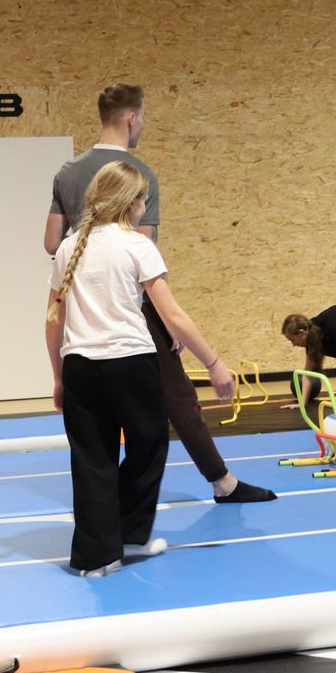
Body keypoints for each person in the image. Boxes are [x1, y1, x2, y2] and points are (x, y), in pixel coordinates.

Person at [45, 83, 274, 505]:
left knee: (98, 418)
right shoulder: (139, 175)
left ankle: (110, 499)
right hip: (133, 308)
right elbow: (143, 248)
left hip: (81, 303)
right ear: (131, 117)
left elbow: (50, 242)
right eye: (144, 118)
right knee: (178, 397)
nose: (143, 126)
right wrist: (169, 325)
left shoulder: (67, 172)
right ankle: (221, 482)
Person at [45, 162, 236, 576]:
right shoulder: (136, 245)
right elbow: (173, 315)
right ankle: (130, 532)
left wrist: (59, 375)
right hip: (131, 363)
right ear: (131, 202)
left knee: (92, 460)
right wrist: (214, 363)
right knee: (148, 447)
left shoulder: (68, 247)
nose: (144, 206)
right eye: (143, 200)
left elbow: (52, 321)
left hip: (80, 366)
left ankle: (98, 557)